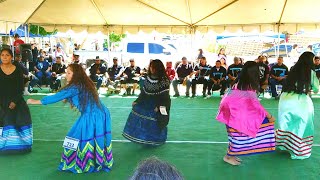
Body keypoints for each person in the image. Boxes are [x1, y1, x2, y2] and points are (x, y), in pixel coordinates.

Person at [27, 64, 113, 173]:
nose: (66, 75)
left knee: (73, 137)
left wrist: (35, 101)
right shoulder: (83, 84)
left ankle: (83, 162)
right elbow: (80, 96)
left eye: (68, 73)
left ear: (76, 74)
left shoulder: (74, 87)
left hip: (93, 116)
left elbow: (56, 97)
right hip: (101, 113)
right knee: (89, 138)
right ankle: (97, 160)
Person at [216, 61, 276, 166]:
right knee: (236, 134)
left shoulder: (240, 82)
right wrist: (269, 116)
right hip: (231, 111)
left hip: (230, 110)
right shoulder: (248, 86)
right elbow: (256, 105)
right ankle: (228, 156)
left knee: (235, 134)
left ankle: (231, 154)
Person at [276, 52, 319, 160]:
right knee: (302, 124)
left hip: (285, 99)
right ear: (310, 60)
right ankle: (298, 150)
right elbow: (316, 89)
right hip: (300, 100)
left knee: (287, 123)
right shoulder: (311, 72)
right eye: (314, 59)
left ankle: (283, 145)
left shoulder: (293, 69)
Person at [122, 59, 171, 146]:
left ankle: (156, 140)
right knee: (138, 111)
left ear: (158, 68)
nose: (152, 69)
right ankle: (143, 137)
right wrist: (137, 101)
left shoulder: (164, 80)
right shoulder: (147, 78)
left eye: (154, 67)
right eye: (151, 67)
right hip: (147, 101)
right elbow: (143, 93)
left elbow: (165, 98)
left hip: (160, 102)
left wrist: (159, 107)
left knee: (157, 119)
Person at [0, 48, 32, 154]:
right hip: (1, 100)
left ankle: (17, 146)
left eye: (7, 55)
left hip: (16, 100)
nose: (4, 57)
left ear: (11, 57)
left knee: (21, 118)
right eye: (2, 55)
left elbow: (20, 88)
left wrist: (14, 101)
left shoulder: (18, 70)